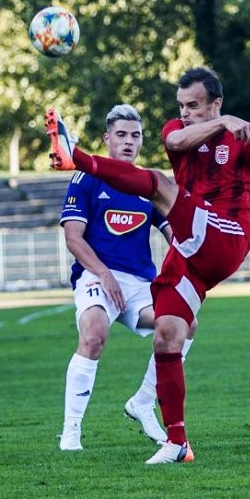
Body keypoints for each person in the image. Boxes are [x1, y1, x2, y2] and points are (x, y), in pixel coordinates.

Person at [48, 66, 250, 464]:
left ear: (216, 103)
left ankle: (75, 157)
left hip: (226, 234)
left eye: (194, 105)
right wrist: (221, 122)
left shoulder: (242, 133)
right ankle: (174, 438)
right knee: (171, 332)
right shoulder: (179, 130)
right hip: (185, 251)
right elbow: (177, 139)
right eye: (181, 105)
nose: (185, 113)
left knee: (156, 182)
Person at [57, 104, 173, 451]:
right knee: (94, 334)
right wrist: (104, 274)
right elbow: (73, 238)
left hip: (139, 284)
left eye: (135, 135)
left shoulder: (149, 184)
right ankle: (71, 432)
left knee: (183, 323)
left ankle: (143, 402)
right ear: (107, 139)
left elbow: (176, 237)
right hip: (96, 276)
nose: (128, 142)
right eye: (121, 135)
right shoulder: (86, 178)